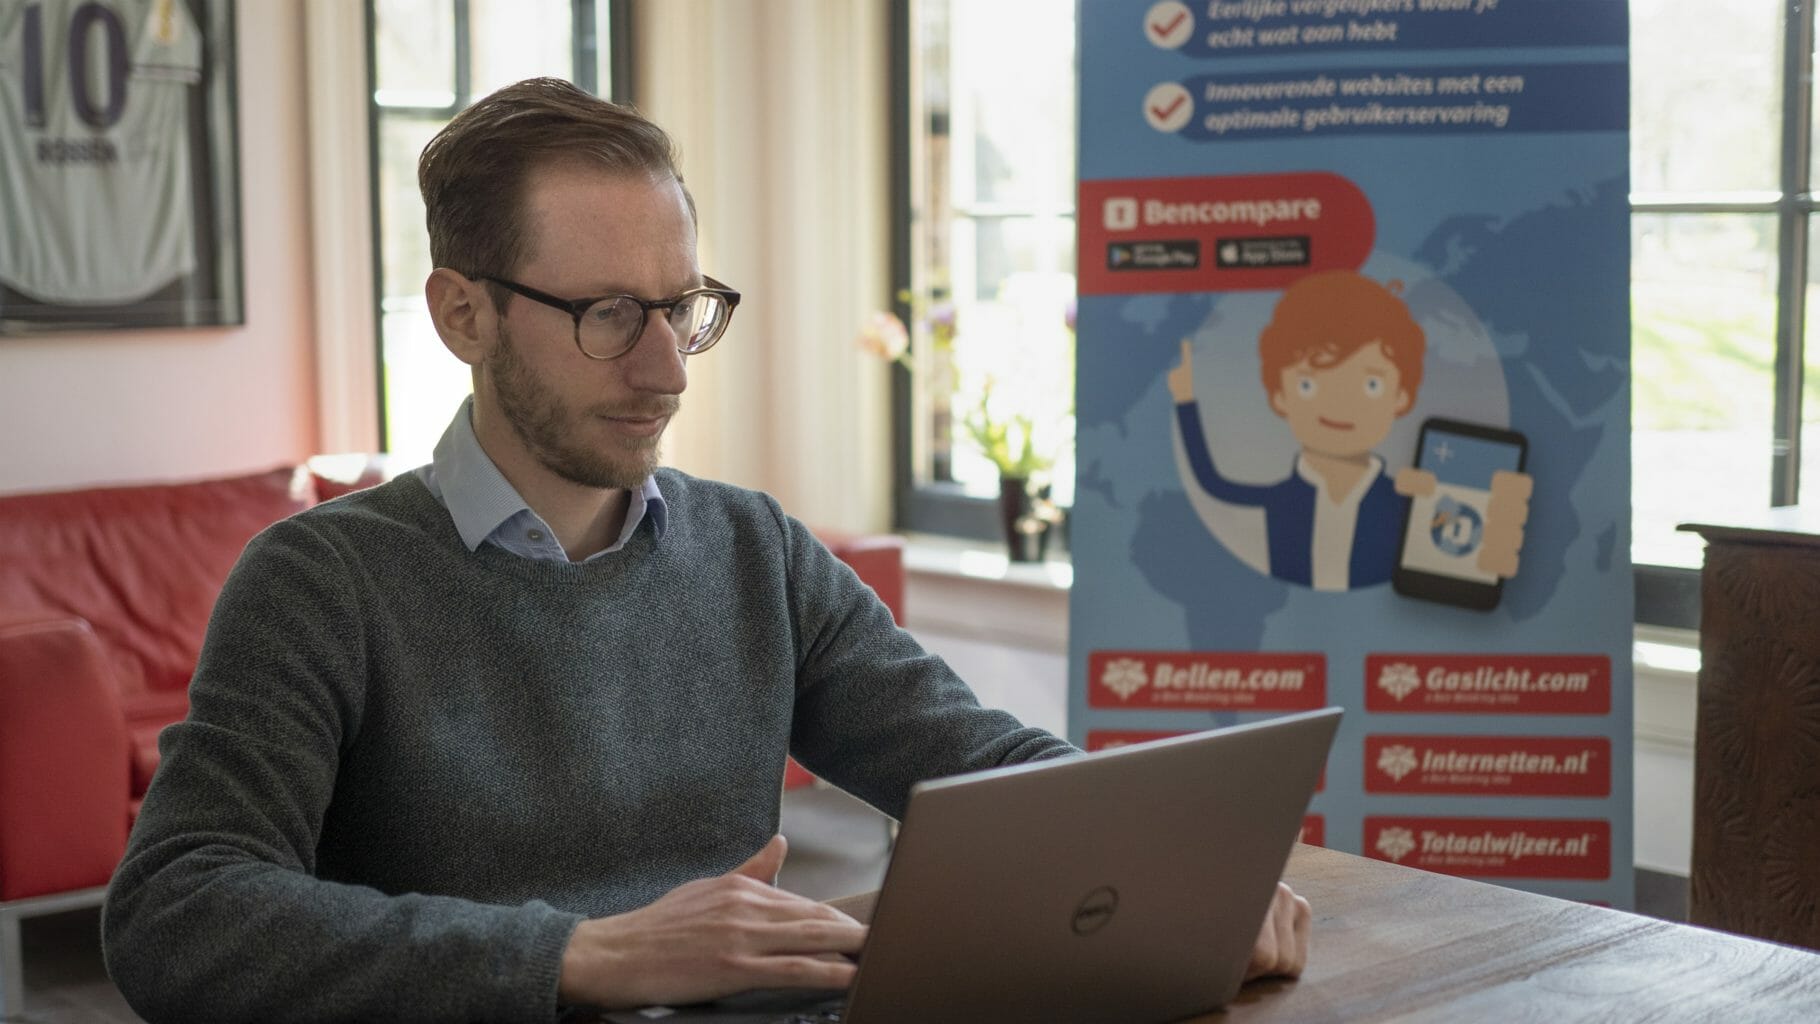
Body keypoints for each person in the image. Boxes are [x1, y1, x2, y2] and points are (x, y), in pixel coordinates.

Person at [101, 78, 1311, 1022]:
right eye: (607, 314)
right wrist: (579, 955)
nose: (666, 367)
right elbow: (176, 914)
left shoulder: (753, 550)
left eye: (681, 306)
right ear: (462, 314)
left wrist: (1172, 868)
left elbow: (972, 755)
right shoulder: (322, 582)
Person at [1170, 270, 1429, 590]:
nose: (1339, 404)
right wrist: (1185, 401)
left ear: (1401, 397)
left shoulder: (1405, 500)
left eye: (1370, 384)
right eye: (1308, 383)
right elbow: (1211, 482)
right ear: (1280, 396)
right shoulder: (1281, 500)